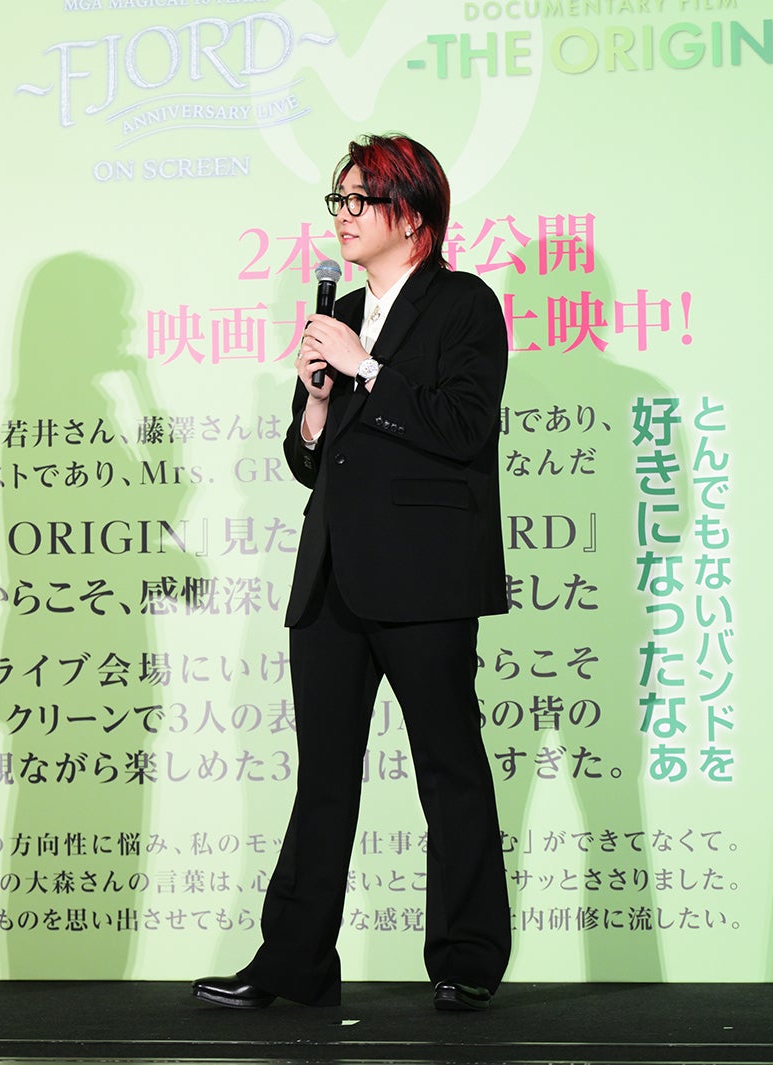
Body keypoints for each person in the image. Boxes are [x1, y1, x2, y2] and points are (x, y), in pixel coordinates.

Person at [192, 134, 512, 1011]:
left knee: (448, 765)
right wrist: (317, 402)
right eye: (337, 200)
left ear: (411, 214)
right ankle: (295, 960)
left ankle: (467, 956)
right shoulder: (338, 312)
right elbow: (314, 462)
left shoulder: (463, 304)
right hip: (333, 575)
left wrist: (367, 366)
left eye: (357, 200)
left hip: (426, 580)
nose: (341, 215)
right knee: (323, 775)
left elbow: (463, 428)